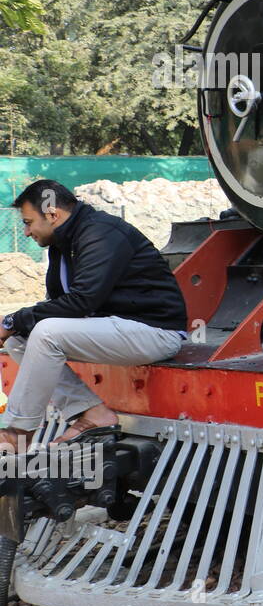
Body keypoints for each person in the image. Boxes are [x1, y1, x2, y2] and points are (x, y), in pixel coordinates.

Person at [0, 180, 188, 452]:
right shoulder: (63, 242)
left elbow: (82, 301)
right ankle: (91, 413)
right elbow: (62, 303)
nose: (27, 232)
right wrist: (17, 325)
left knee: (45, 331)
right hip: (114, 327)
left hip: (154, 331)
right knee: (20, 339)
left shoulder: (100, 232)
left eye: (29, 222)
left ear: (52, 215)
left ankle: (16, 434)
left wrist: (10, 321)